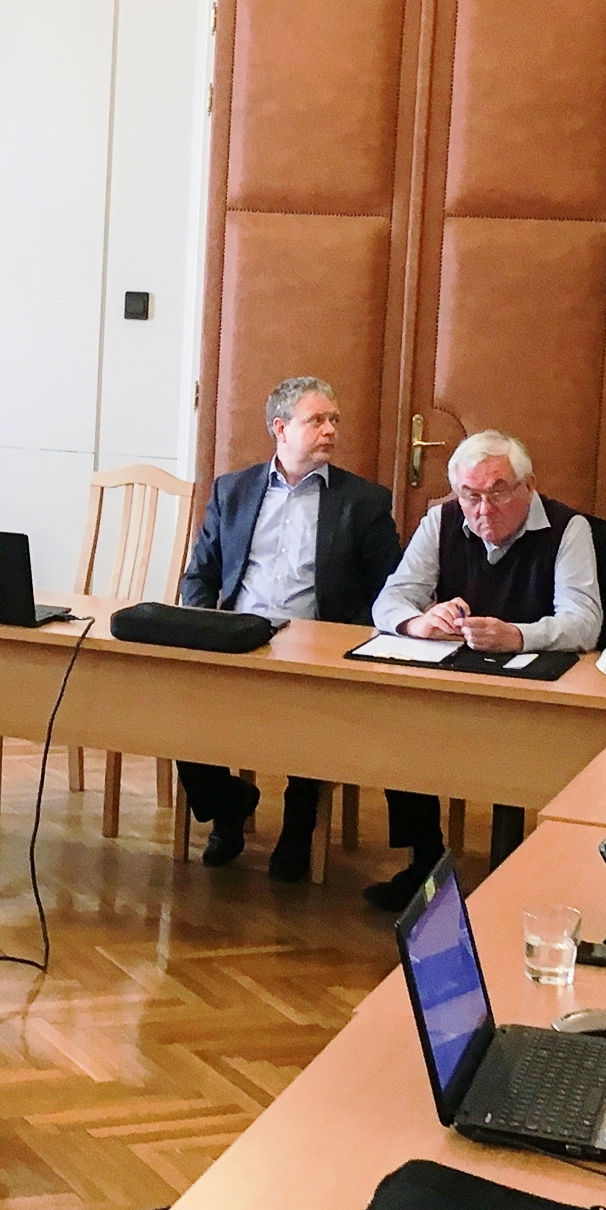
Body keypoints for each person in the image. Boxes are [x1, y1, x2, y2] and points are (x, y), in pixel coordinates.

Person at [365, 430, 604, 911]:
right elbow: (390, 599)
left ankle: (525, 876)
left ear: (528, 487)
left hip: (537, 693)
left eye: (498, 492)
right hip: (457, 681)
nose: (483, 509)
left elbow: (585, 622)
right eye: (470, 495)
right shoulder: (441, 521)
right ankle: (425, 862)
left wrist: (517, 635)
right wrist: (417, 622)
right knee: (400, 721)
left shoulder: (568, 529)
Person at [175, 377, 401, 880]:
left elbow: (390, 588)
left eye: (334, 420)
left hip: (318, 646)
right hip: (238, 639)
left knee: (314, 713)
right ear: (280, 428)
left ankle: (300, 825)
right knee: (179, 702)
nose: (330, 430)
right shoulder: (233, 490)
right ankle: (228, 804)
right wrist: (203, 628)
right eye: (317, 420)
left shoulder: (362, 501)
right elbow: (201, 575)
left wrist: (347, 641)